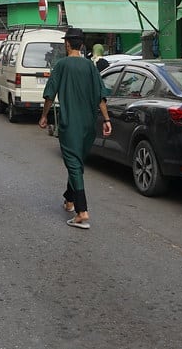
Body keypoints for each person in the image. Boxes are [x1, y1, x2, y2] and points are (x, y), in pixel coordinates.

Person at [38, 27, 111, 230]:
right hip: (89, 125)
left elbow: (49, 95)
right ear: (82, 44)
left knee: (74, 165)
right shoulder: (90, 67)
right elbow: (100, 96)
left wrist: (44, 116)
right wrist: (106, 120)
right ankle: (69, 200)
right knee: (77, 163)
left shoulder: (61, 65)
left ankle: (82, 211)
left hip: (70, 124)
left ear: (67, 44)